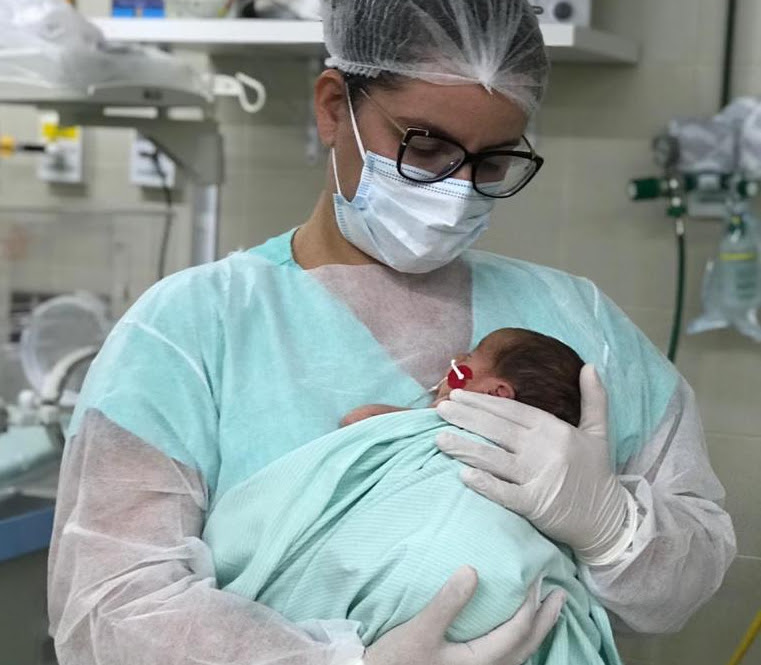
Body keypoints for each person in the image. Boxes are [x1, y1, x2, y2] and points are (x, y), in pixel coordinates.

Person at [47, 2, 736, 665]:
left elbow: (687, 574)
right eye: (426, 145)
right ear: (331, 108)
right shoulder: (190, 329)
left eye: (492, 161)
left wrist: (613, 528)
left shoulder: (578, 321)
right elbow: (111, 604)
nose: (457, 190)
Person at [341, 327, 585, 427]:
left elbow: (356, 420)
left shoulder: (442, 425)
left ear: (496, 393)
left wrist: (427, 413)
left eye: (469, 357)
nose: (457, 359)